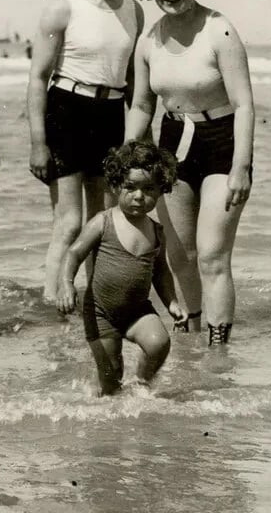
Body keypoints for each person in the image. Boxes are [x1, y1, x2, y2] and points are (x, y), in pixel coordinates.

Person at [125, 0, 255, 345]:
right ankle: (188, 341)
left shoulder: (221, 29)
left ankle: (218, 352)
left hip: (221, 140)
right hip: (173, 141)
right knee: (179, 256)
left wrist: (241, 167)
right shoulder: (148, 40)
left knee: (213, 255)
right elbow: (143, 106)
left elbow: (245, 105)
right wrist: (129, 156)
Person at [26, 0, 145, 303]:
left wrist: (142, 140)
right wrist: (37, 143)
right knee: (69, 221)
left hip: (111, 114)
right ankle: (53, 299)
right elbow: (38, 78)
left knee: (105, 218)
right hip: (67, 111)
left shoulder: (134, 10)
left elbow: (133, 82)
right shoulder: (63, 7)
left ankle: (95, 302)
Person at [59, 141, 186, 395]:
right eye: (130, 187)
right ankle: (104, 409)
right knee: (111, 380)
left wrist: (171, 302)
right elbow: (74, 253)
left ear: (161, 190)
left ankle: (142, 381)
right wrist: (66, 283)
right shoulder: (103, 222)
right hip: (101, 314)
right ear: (116, 185)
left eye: (149, 189)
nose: (139, 196)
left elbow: (161, 273)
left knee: (159, 343)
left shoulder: (157, 231)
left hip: (137, 311)